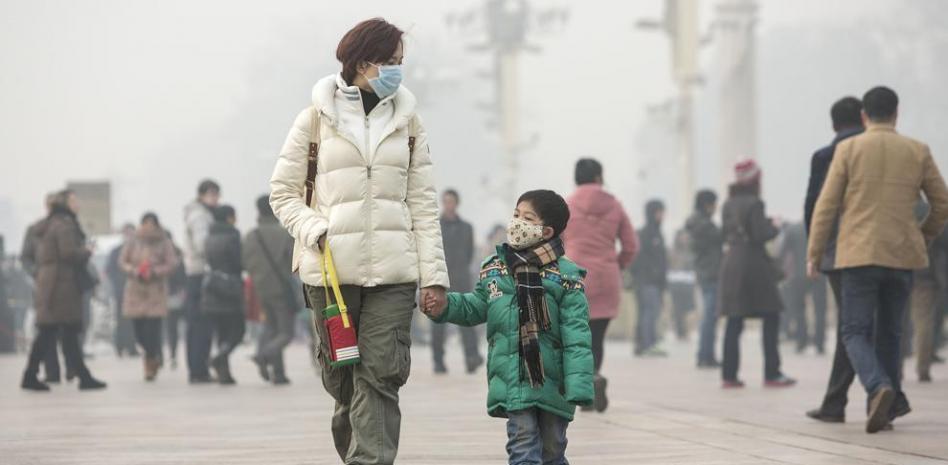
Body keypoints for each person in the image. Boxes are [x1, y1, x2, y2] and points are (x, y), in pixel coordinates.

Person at [269, 18, 449, 464]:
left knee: (381, 373)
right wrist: (313, 228)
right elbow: (283, 192)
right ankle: (354, 445)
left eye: (400, 64)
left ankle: (369, 460)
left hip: (394, 273)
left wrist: (434, 277)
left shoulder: (408, 123)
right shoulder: (314, 119)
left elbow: (423, 205)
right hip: (330, 273)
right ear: (363, 62)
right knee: (343, 377)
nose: (397, 72)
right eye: (390, 63)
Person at [808, 86, 948, 433]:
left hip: (858, 254)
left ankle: (878, 386)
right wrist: (923, 234)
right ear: (897, 113)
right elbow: (942, 203)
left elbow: (826, 206)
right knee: (891, 332)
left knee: (854, 331)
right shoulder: (917, 150)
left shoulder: (849, 149)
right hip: (901, 254)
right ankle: (884, 405)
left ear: (864, 116)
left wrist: (814, 252)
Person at [422, 189, 594, 465]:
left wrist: (580, 384)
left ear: (547, 231)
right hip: (514, 378)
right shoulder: (495, 268)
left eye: (527, 217)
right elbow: (477, 305)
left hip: (555, 384)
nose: (517, 222)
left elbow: (577, 335)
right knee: (522, 446)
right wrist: (445, 307)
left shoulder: (566, 275)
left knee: (553, 450)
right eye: (516, 214)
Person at [803, 96, 868, 424]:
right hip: (883, 250)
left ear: (833, 124)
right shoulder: (879, 149)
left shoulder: (825, 156)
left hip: (838, 253)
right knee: (883, 327)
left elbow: (814, 207)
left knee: (851, 326)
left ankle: (836, 401)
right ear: (864, 116)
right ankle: (886, 395)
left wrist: (813, 251)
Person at [563, 158, 637, 413]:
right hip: (606, 278)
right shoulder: (614, 205)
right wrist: (618, 264)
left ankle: (584, 386)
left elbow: (554, 242)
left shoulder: (567, 206)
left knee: (574, 335)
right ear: (598, 177)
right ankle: (594, 375)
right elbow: (630, 245)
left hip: (574, 278)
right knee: (597, 337)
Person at [718, 160, 796, 389]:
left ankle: (729, 375)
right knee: (771, 315)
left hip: (732, 262)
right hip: (753, 264)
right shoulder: (755, 203)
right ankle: (772, 373)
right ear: (755, 180)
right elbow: (761, 234)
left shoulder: (727, 204)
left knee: (734, 320)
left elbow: (724, 233)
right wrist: (776, 226)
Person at [20, 190, 106, 391]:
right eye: (74, 201)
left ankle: (82, 375)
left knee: (62, 332)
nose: (78, 204)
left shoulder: (50, 224)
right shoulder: (64, 225)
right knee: (53, 331)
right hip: (62, 285)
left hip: (52, 283)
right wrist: (86, 251)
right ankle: (32, 375)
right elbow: (68, 253)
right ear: (66, 204)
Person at [244, 195, 298, 385]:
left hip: (261, 290)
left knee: (272, 328)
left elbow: (245, 264)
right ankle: (263, 354)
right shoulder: (283, 234)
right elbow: (295, 262)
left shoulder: (251, 236)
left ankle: (279, 373)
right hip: (281, 289)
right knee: (286, 333)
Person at [118, 213, 178, 381]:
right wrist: (134, 270)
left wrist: (155, 271)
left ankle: (150, 363)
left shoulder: (164, 242)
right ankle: (152, 356)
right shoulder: (133, 241)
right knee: (139, 331)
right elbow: (122, 261)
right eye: (146, 223)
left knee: (152, 330)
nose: (149, 227)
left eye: (152, 223)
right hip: (135, 289)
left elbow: (172, 263)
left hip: (155, 290)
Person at [20, 192, 72, 382]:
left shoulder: (67, 227)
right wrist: (38, 273)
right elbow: (25, 257)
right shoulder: (35, 229)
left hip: (65, 286)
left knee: (67, 329)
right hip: (45, 285)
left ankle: (73, 368)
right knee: (47, 328)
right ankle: (52, 371)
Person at [430, 189, 482, 374]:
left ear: (456, 203)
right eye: (445, 201)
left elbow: (469, 254)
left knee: (466, 318)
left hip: (461, 278)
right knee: (437, 320)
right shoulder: (435, 226)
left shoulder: (467, 227)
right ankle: (438, 360)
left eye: (451, 201)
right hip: (440, 279)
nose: (448, 204)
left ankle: (471, 357)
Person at [202, 205, 246, 385]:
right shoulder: (232, 235)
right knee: (238, 330)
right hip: (231, 288)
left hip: (213, 287)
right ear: (229, 217)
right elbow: (238, 262)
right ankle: (220, 356)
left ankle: (224, 373)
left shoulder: (209, 237)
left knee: (222, 333)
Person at [182, 179, 220, 384]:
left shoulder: (200, 213)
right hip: (200, 274)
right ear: (203, 195)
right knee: (200, 326)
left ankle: (199, 369)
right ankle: (198, 370)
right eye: (213, 195)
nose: (216, 200)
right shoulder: (200, 216)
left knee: (199, 325)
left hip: (196, 274)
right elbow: (202, 245)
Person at [777, 221, 828, 354]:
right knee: (820, 311)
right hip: (819, 273)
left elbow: (782, 253)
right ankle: (819, 343)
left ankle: (801, 341)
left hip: (799, 275)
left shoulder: (793, 229)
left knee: (799, 310)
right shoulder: (822, 227)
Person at [687, 189, 723, 368]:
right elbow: (721, 236)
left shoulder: (697, 222)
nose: (716, 207)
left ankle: (706, 354)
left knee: (710, 316)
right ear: (707, 204)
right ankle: (705, 355)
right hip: (710, 274)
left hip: (705, 273)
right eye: (714, 203)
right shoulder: (704, 224)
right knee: (710, 316)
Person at [630, 199, 668, 357]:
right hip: (646, 281)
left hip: (655, 282)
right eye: (659, 212)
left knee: (649, 312)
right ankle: (648, 344)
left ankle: (644, 344)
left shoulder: (657, 233)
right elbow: (637, 258)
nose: (662, 216)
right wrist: (651, 273)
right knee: (648, 312)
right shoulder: (644, 233)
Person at [106, 223, 139, 357]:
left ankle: (132, 347)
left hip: (136, 290)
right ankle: (120, 346)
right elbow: (110, 271)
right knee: (120, 320)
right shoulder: (116, 251)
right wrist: (118, 283)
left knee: (133, 320)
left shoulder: (138, 250)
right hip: (120, 291)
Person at [668, 229, 696, 341]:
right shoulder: (673, 251)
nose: (684, 239)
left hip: (688, 281)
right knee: (678, 309)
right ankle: (680, 331)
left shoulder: (690, 251)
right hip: (676, 282)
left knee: (688, 308)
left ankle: (686, 330)